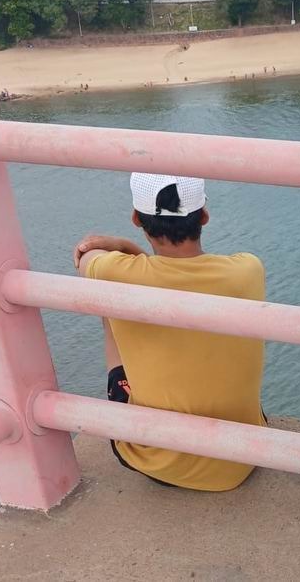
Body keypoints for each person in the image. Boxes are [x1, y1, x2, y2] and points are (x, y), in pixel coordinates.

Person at [73, 173, 266, 491]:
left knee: (109, 301)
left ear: (136, 218)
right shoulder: (248, 269)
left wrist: (122, 246)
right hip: (243, 457)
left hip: (157, 460)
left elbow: (85, 256)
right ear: (204, 215)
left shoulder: (113, 272)